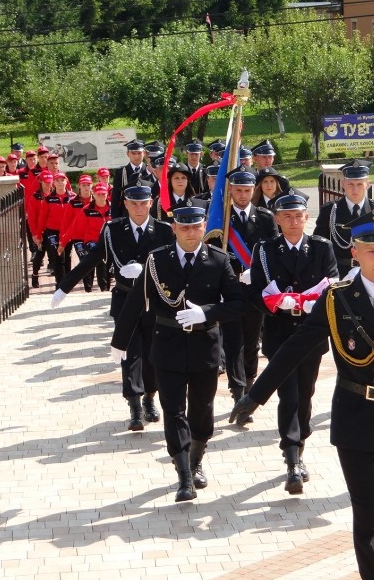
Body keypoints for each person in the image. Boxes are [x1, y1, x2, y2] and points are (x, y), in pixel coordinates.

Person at [231, 209, 374, 580]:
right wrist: (255, 395)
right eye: (371, 251)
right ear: (355, 253)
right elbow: (294, 348)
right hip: (355, 418)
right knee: (369, 509)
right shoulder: (337, 299)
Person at [110, 205, 245, 502]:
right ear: (174, 229)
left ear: (202, 228)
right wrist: (119, 342)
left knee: (202, 409)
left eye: (196, 227)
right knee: (173, 411)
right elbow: (136, 301)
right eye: (184, 228)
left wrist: (207, 313)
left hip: (204, 346)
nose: (190, 233)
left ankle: (197, 459)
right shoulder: (157, 260)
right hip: (167, 345)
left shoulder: (218, 261)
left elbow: (238, 303)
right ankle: (183, 472)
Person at [52, 185, 174, 431]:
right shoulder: (113, 229)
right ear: (126, 204)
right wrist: (65, 286)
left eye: (144, 203)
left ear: (151, 203)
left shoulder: (163, 231)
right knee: (129, 354)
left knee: (153, 354)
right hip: (125, 300)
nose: (139, 209)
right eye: (134, 204)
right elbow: (93, 257)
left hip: (153, 303)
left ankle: (151, 398)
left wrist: (144, 270)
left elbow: (172, 265)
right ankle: (134, 405)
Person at [247, 191, 338, 494]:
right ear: (277, 219)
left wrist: (316, 303)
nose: (293, 221)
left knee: (306, 393)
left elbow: (333, 281)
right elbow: (257, 290)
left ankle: (301, 439)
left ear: (307, 218)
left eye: (298, 216)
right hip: (280, 333)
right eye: (287, 216)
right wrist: (277, 302)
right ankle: (292, 457)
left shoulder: (321, 248)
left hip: (311, 335)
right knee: (289, 394)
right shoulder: (265, 250)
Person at [218, 167, 278, 412]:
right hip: (230, 288)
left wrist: (258, 272)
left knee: (252, 341)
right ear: (231, 190)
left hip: (255, 289)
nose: (242, 195)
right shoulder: (221, 217)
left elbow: (273, 251)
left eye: (246, 190)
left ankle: (250, 386)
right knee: (233, 342)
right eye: (238, 190)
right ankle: (237, 389)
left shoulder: (265, 217)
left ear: (253, 190)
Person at [314, 159, 374, 277]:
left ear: (368, 184)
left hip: (370, 270)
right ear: (343, 184)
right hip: (339, 272)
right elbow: (319, 245)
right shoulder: (329, 210)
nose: (355, 189)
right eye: (350, 184)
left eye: (359, 184)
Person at [59, 178, 112, 292]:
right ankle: (88, 289)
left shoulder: (112, 208)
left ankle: (104, 289)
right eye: (99, 194)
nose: (101, 196)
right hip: (90, 240)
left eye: (104, 194)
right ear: (95, 194)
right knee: (92, 260)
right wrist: (63, 242)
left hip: (107, 240)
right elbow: (73, 226)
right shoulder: (86, 210)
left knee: (105, 263)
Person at [111, 139, 158, 219]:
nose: (136, 156)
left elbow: (156, 192)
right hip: (126, 215)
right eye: (133, 153)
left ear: (144, 153)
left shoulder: (151, 169)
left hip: (148, 214)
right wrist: (115, 218)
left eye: (139, 153)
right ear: (127, 154)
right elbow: (115, 198)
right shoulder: (121, 172)